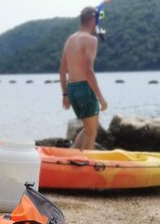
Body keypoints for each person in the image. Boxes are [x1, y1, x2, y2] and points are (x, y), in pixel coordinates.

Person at [59, 6, 108, 150]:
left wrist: (65, 94)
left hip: (72, 89)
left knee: (88, 129)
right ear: (93, 20)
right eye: (97, 19)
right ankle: (85, 166)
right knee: (92, 133)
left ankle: (70, 157)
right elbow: (89, 71)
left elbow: (62, 70)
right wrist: (101, 98)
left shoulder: (70, 39)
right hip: (84, 89)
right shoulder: (91, 40)